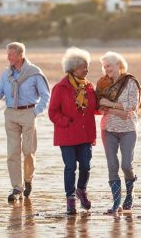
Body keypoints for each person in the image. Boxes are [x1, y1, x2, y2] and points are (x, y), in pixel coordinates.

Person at [0, 42, 50, 201]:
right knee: (12, 152)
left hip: (28, 112)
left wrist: (35, 112)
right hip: (10, 114)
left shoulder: (35, 73)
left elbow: (46, 96)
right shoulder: (6, 74)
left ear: (20, 55)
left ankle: (28, 179)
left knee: (28, 152)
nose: (8, 57)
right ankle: (16, 188)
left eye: (10, 54)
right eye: (7, 54)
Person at [48, 47, 97, 215]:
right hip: (67, 134)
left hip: (85, 135)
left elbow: (95, 108)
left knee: (85, 166)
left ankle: (81, 190)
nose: (87, 70)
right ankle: (70, 198)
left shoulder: (89, 87)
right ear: (73, 68)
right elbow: (52, 112)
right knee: (70, 167)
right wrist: (65, 121)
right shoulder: (60, 88)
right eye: (84, 66)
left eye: (87, 66)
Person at [96, 51, 141, 214]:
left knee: (126, 165)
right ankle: (116, 203)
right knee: (112, 165)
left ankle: (129, 194)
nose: (106, 69)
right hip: (108, 129)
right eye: (104, 66)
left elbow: (131, 106)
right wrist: (117, 111)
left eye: (109, 65)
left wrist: (110, 105)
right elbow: (99, 106)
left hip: (128, 129)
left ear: (118, 64)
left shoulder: (130, 82)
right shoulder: (103, 84)